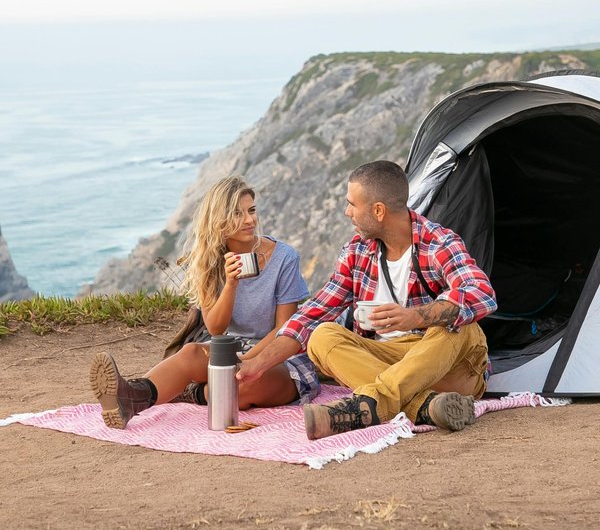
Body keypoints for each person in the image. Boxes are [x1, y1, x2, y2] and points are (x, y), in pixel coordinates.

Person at [237, 160, 497, 439]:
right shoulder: (357, 251)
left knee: (460, 327)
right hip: (388, 364)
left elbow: (481, 292)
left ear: (378, 211)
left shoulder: (438, 243)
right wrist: (258, 364)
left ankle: (374, 404)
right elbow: (312, 314)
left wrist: (415, 317)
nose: (347, 212)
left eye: (352, 204)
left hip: (445, 365)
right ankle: (423, 406)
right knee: (322, 336)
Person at [89, 175, 319, 429]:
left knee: (237, 390)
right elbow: (216, 329)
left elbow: (285, 329)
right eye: (237, 213)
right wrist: (231, 284)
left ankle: (194, 392)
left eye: (251, 211)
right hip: (233, 348)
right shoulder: (209, 260)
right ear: (218, 220)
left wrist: (248, 361)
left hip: (280, 356)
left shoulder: (284, 257)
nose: (249, 220)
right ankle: (130, 398)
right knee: (191, 353)